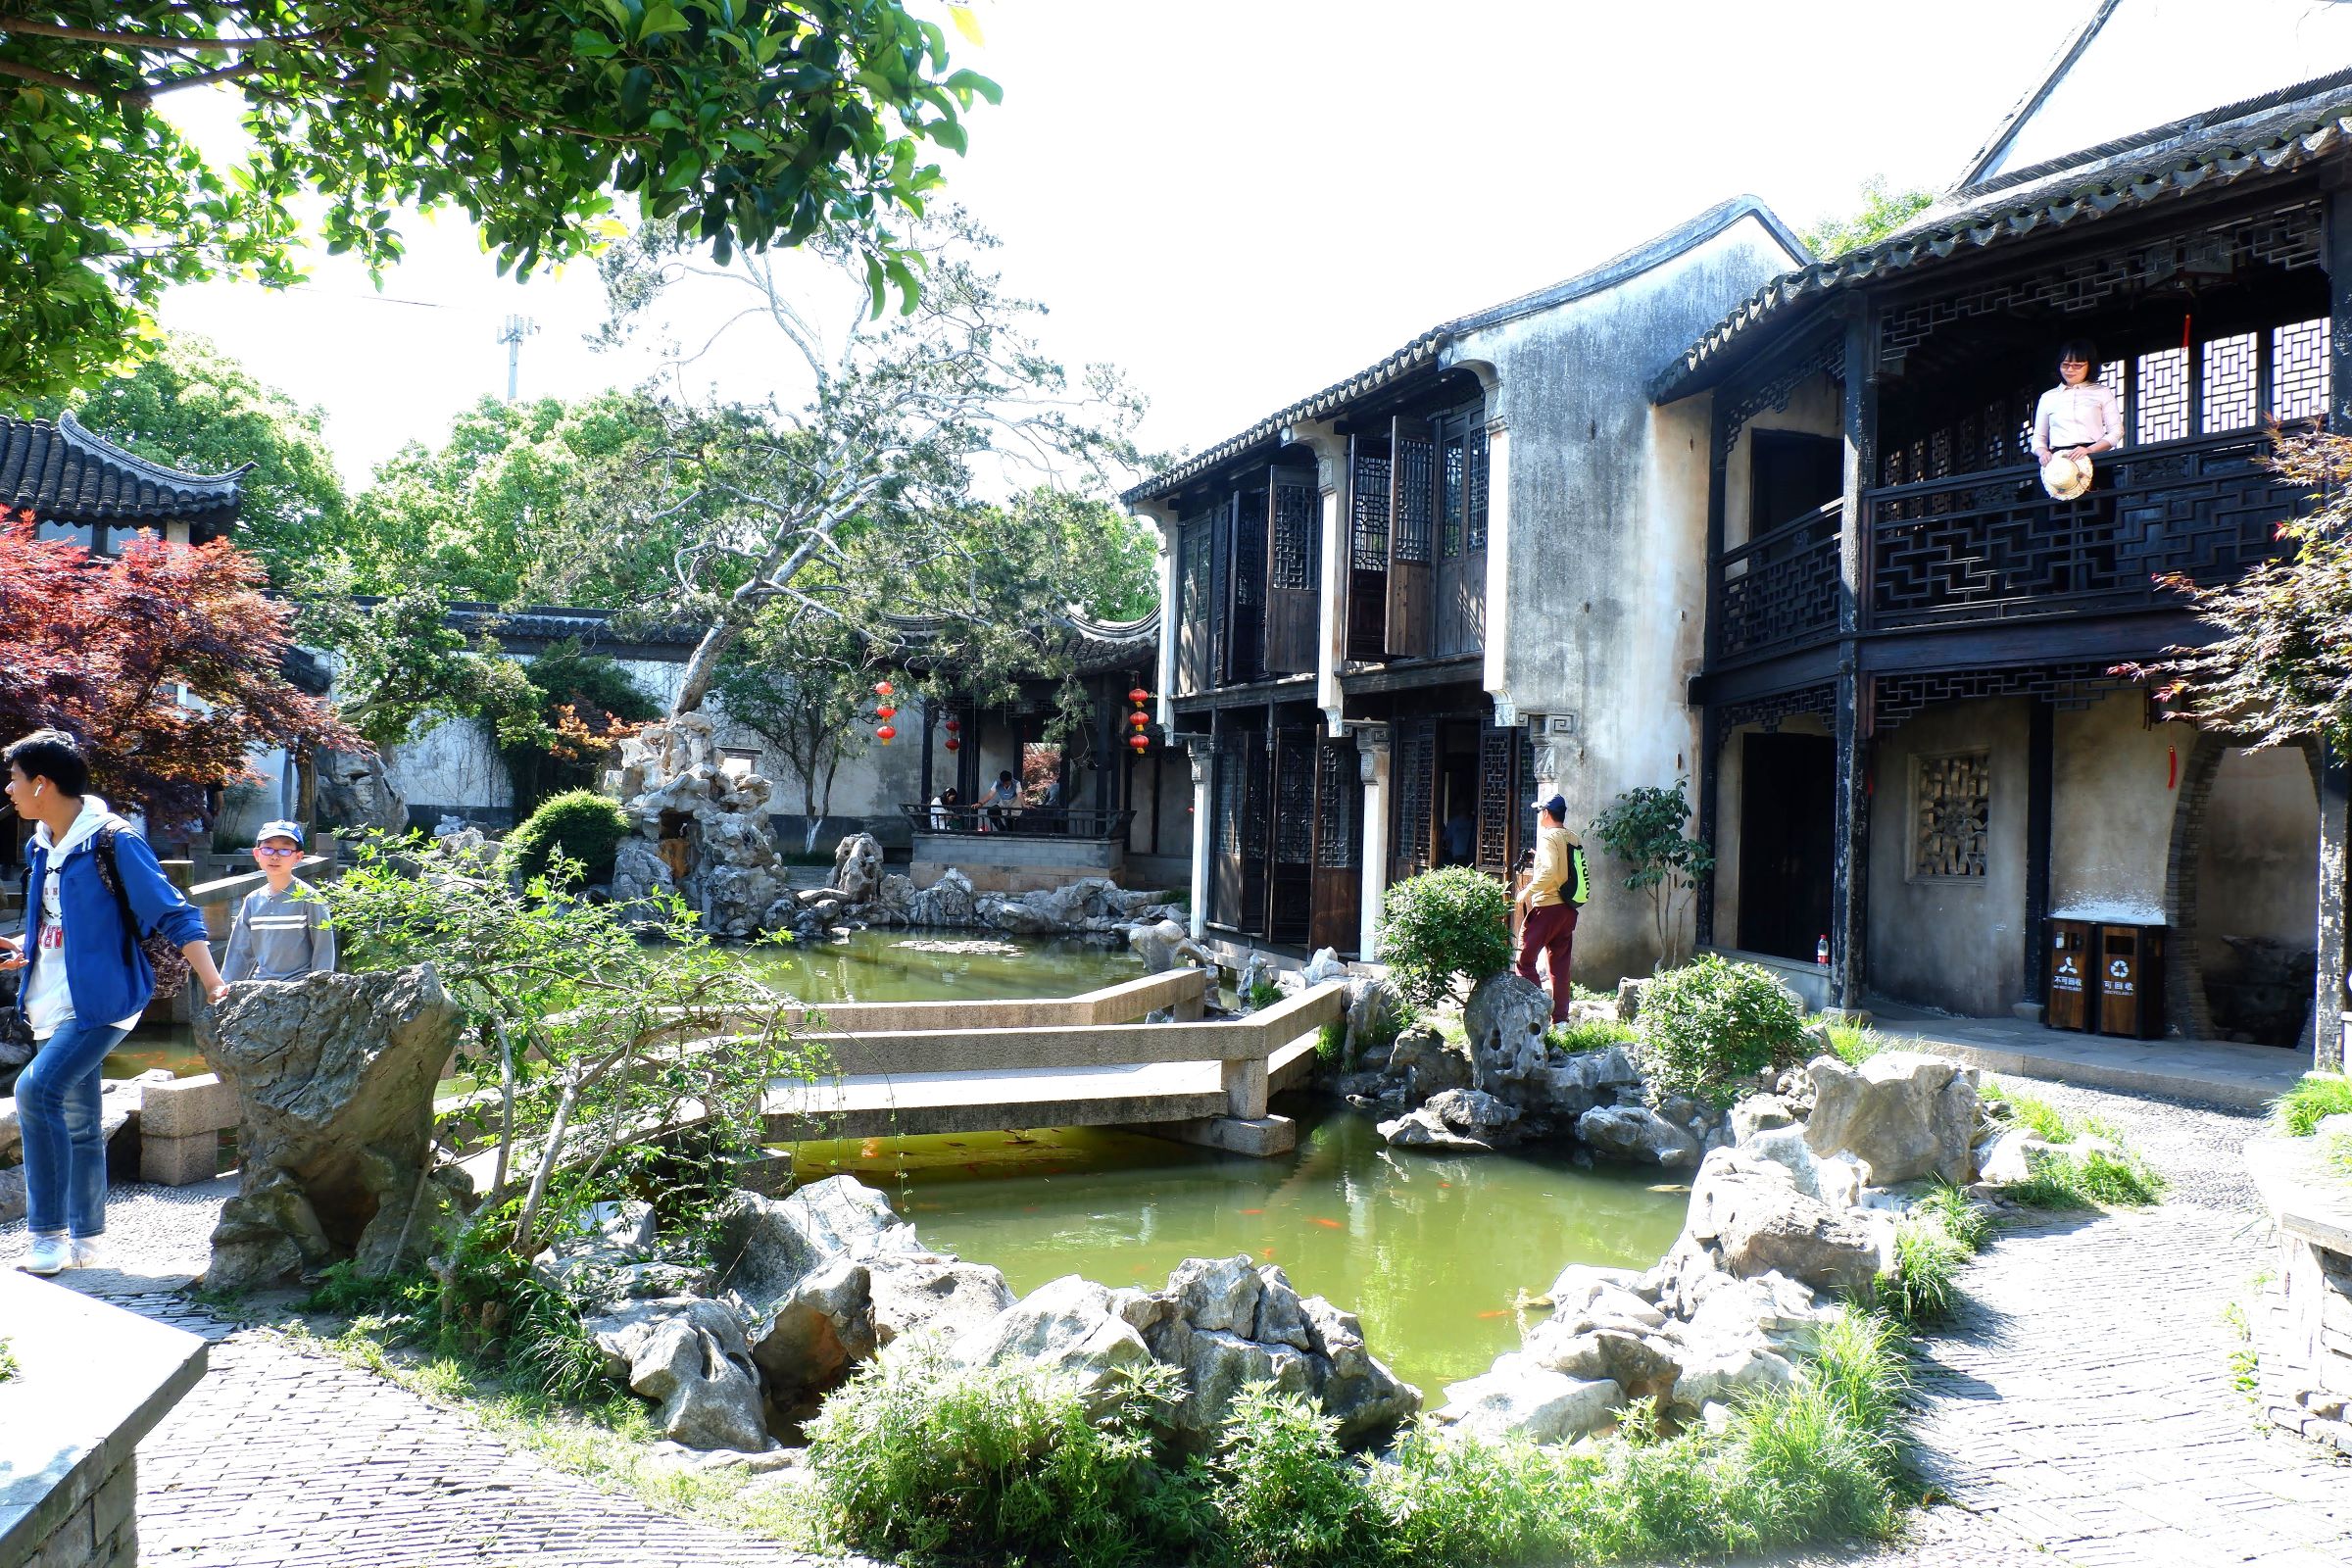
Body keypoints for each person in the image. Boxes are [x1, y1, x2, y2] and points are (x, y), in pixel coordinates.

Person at [0, 730, 229, 1276]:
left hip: (103, 1000)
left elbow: (173, 911)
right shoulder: (41, 844)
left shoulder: (113, 839)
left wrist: (213, 982)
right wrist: (27, 947)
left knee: (34, 1091)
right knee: (81, 1122)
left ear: (42, 783)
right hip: (48, 997)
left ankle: (46, 1234)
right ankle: (87, 1240)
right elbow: (59, 919)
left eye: (13, 778)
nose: (8, 789)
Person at [222, 819, 336, 985]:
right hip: (260, 986)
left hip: (299, 987)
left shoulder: (310, 898)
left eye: (284, 850)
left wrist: (320, 989)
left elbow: (323, 949)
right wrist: (226, 986)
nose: (275, 856)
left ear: (298, 857)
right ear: (257, 854)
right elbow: (239, 952)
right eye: (268, 849)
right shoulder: (253, 901)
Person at [1511, 793, 1590, 1025]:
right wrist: (1537, 858)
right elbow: (1565, 867)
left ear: (1546, 813)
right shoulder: (1572, 836)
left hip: (1547, 908)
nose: (1539, 815)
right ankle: (1561, 1021)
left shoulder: (1547, 837)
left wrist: (1527, 891)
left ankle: (1538, 1016)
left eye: (1540, 811)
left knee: (1524, 961)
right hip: (1567, 909)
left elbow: (1550, 872)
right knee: (1560, 967)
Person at [2030, 339, 2123, 481]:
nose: (2070, 370)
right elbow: (2038, 438)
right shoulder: (2047, 397)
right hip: (2058, 463)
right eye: (2065, 365)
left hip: (2094, 457)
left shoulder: (2102, 392)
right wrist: (2043, 452)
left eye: (2077, 365)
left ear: (2089, 365)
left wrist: (2090, 450)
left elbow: (2116, 431)